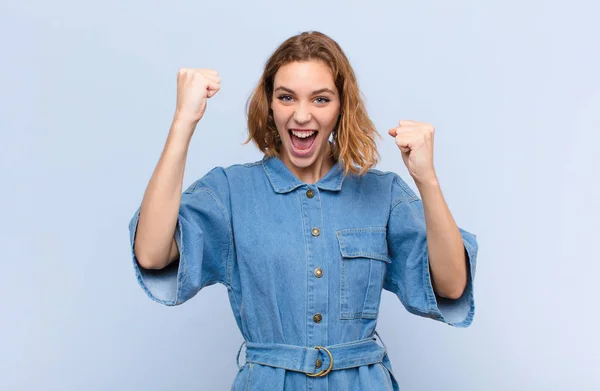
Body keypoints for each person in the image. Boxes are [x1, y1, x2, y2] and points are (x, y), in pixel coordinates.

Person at [128, 30, 478, 391]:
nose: (301, 114)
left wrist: (427, 180)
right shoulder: (232, 192)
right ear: (270, 104)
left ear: (342, 105)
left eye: (320, 99)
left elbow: (451, 286)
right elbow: (152, 254)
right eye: (286, 97)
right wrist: (183, 122)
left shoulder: (382, 194)